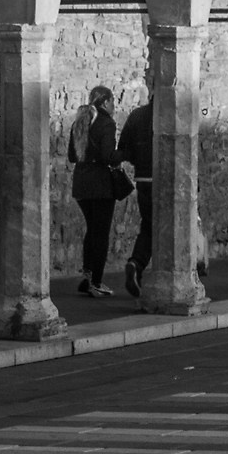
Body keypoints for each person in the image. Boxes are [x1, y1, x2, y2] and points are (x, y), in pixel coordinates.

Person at [67, 86, 122, 296]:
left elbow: (73, 156)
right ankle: (96, 281)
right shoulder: (107, 123)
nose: (114, 106)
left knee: (91, 230)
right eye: (113, 101)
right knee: (100, 234)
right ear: (106, 101)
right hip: (100, 185)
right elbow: (109, 156)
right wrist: (123, 154)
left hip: (81, 183)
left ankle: (88, 275)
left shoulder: (79, 122)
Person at [117, 99, 154, 297]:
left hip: (143, 179)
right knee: (172, 227)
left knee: (148, 226)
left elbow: (124, 148)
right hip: (167, 179)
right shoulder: (175, 112)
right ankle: (142, 266)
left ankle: (136, 264)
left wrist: (139, 160)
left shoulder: (137, 115)